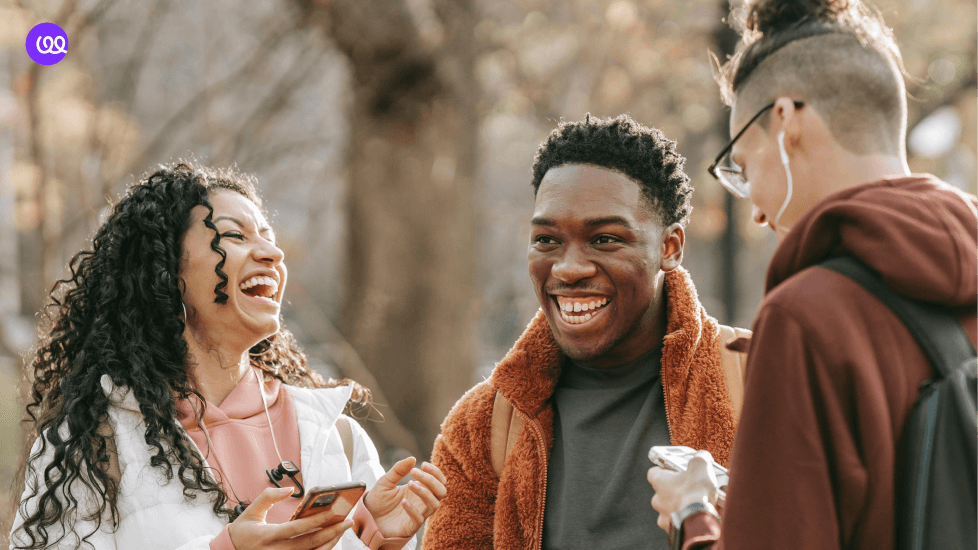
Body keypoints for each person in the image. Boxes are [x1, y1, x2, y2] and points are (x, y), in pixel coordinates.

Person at [647, 0, 978, 549]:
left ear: (785, 119)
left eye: (743, 168)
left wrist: (695, 515)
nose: (753, 209)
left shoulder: (806, 318)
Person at [9, 163, 447, 550]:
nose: (273, 254)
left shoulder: (337, 435)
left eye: (270, 239)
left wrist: (375, 539)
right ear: (165, 274)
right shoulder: (94, 441)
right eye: (234, 236)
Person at [422, 115, 750, 550]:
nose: (568, 268)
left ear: (669, 248)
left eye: (605, 239)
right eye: (547, 240)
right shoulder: (483, 428)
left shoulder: (761, 378)